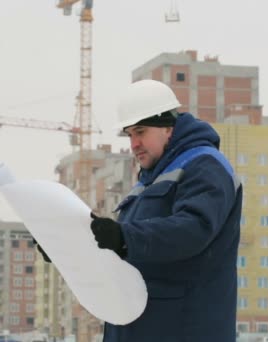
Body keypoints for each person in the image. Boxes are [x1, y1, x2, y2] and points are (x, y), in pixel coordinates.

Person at [36, 79, 242, 341]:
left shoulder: (205, 167)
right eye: (129, 134)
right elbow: (122, 253)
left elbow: (192, 230)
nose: (133, 144)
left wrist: (124, 237)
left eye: (141, 132)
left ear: (168, 126)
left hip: (182, 329)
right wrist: (68, 248)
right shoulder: (149, 181)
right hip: (141, 328)